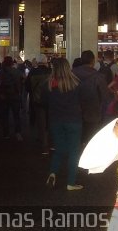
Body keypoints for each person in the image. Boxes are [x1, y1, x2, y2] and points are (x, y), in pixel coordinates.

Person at [41, 57, 84, 191]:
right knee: (74, 152)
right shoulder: (76, 83)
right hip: (74, 121)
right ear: (67, 67)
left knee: (59, 150)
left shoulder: (47, 84)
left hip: (55, 120)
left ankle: (53, 173)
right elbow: (82, 101)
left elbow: (43, 103)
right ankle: (71, 182)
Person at [73, 50, 109, 143]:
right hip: (93, 113)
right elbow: (105, 97)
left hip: (73, 112)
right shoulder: (99, 76)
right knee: (91, 140)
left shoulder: (72, 74)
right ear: (93, 61)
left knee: (75, 141)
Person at [26, 54, 52, 154]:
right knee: (49, 122)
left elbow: (27, 87)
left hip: (38, 100)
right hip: (50, 100)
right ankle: (51, 143)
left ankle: (44, 145)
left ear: (37, 61)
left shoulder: (32, 72)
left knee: (41, 122)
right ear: (45, 61)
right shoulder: (50, 72)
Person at [0, 56, 23, 140]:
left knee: (5, 115)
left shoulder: (1, 72)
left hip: (5, 96)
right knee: (16, 115)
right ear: (12, 63)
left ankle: (6, 133)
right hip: (15, 95)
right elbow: (22, 81)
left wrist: (1, 94)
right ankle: (18, 133)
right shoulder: (16, 71)